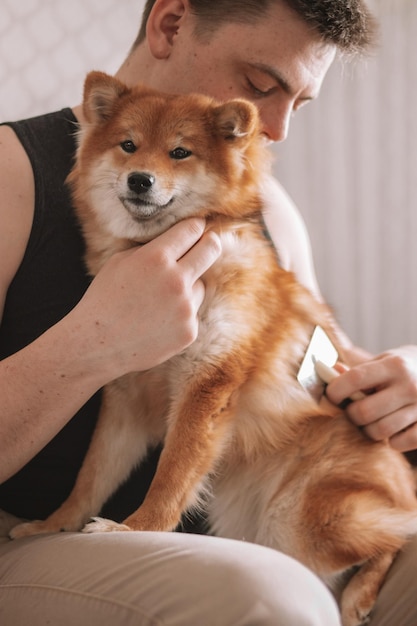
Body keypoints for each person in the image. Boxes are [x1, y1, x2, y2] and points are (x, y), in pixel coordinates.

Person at [0, 1, 416, 624]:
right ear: (170, 25)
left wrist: (403, 376)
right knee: (266, 596)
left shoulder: (266, 210)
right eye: (260, 86)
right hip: (36, 538)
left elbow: (326, 375)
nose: (274, 128)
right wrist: (98, 339)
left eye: (298, 104)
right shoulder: (11, 175)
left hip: (239, 524)